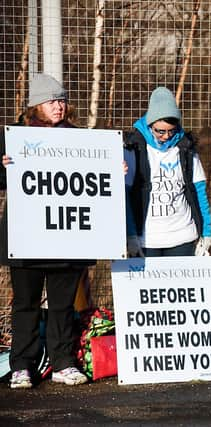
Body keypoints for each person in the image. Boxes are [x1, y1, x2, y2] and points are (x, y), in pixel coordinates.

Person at [0, 73, 90, 388]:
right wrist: (3, 166)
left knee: (62, 304)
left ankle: (63, 362)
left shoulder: (80, 139)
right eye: (52, 101)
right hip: (27, 238)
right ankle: (22, 365)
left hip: (66, 237)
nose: (59, 106)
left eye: (62, 100)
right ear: (36, 105)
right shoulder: (15, 138)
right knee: (25, 304)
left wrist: (112, 169)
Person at [124, 87, 211, 258]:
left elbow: (199, 191)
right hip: (147, 239)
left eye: (171, 131)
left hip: (183, 235)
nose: (166, 136)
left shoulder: (186, 148)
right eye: (160, 131)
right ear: (150, 124)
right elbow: (126, 195)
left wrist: (206, 232)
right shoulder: (133, 148)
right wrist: (131, 234)